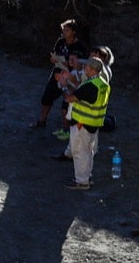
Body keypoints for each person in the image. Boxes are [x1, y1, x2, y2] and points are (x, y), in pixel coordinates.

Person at [62, 56, 111, 189]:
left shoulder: (90, 85)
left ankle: (81, 181)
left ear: (92, 69)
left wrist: (64, 86)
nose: (84, 68)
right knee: (88, 152)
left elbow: (70, 98)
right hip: (94, 124)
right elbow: (81, 94)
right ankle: (86, 177)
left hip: (82, 123)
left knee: (79, 152)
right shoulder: (102, 84)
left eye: (86, 67)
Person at [33, 19, 88, 129]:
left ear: (73, 32)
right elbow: (54, 54)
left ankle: (67, 128)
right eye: (63, 30)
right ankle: (42, 121)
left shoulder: (79, 46)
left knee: (67, 102)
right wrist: (54, 59)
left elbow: (79, 63)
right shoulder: (60, 41)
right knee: (47, 97)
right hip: (58, 71)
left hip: (71, 75)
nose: (64, 32)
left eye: (67, 30)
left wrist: (68, 63)